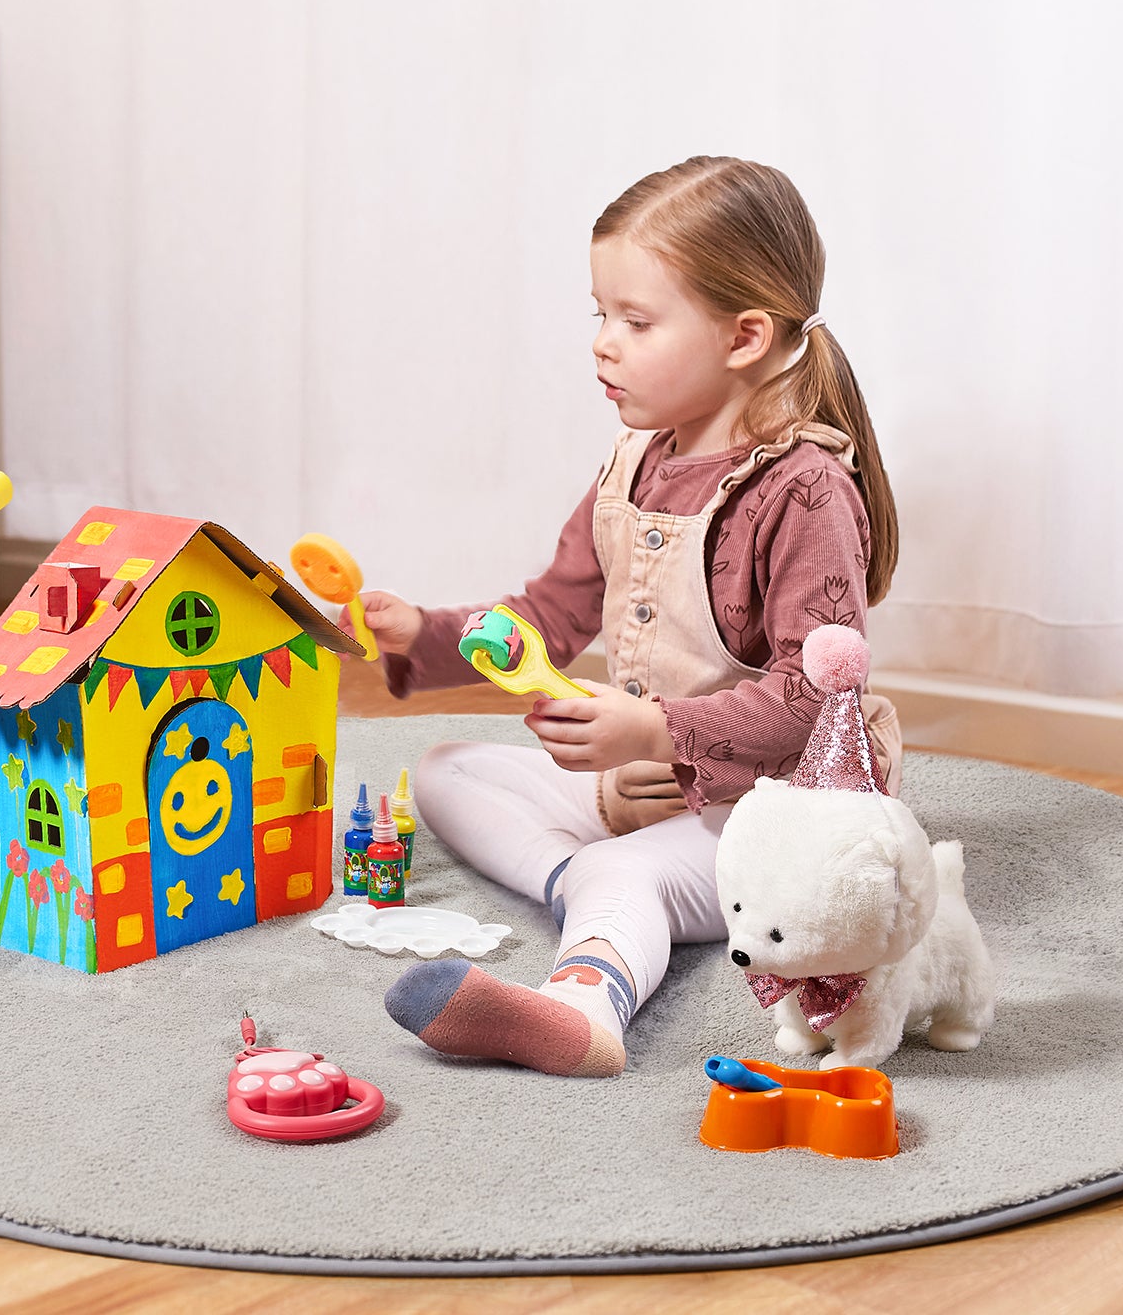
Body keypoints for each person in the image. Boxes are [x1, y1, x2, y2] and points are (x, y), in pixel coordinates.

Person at [363, 156, 902, 1076]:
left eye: (637, 322)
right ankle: (598, 883)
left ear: (744, 336)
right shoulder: (634, 462)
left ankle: (586, 1009)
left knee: (622, 870)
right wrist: (427, 633)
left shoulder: (805, 490)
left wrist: (652, 728)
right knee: (448, 770)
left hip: (784, 814)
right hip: (657, 787)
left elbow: (812, 708)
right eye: (600, 316)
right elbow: (549, 614)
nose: (603, 344)